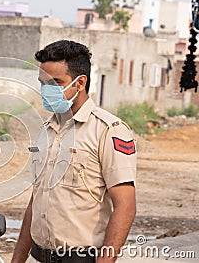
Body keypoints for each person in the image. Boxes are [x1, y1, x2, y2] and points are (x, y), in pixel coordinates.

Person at [11, 40, 136, 263]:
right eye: (43, 83)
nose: (47, 91)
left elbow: (125, 206)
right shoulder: (46, 131)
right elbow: (36, 200)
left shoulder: (108, 131)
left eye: (56, 83)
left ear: (80, 83)